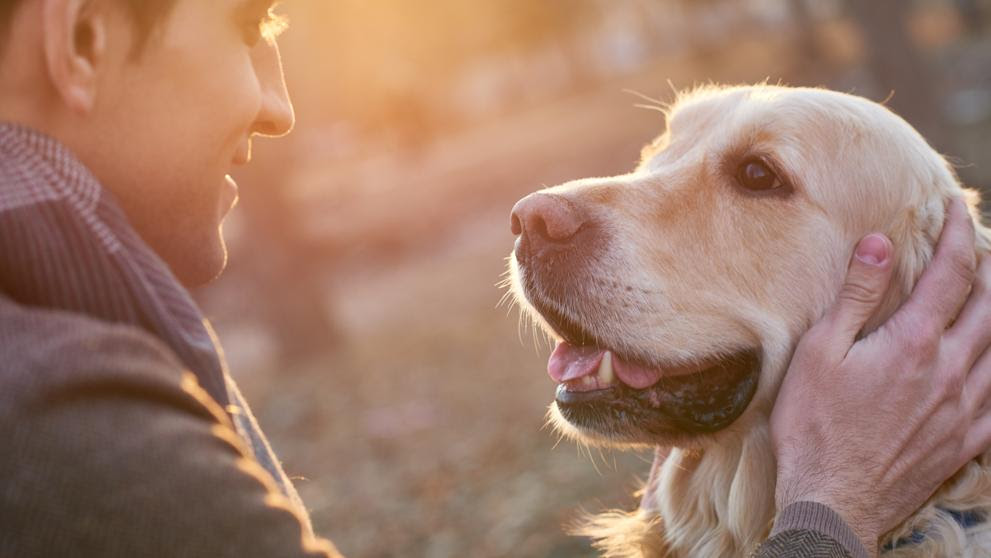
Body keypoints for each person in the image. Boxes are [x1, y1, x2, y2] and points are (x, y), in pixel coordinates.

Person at [0, 1, 986, 557]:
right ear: (82, 41)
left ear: (926, 305)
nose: (279, 106)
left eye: (755, 177)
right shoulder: (59, 417)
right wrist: (829, 513)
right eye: (249, 26)